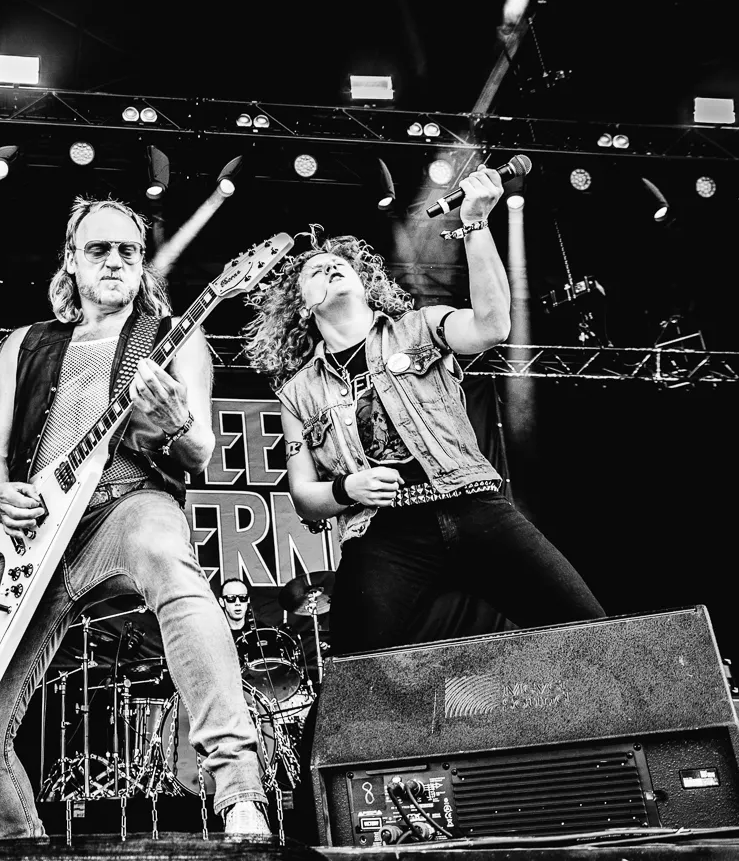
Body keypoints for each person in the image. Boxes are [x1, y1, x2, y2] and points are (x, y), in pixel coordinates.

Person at [0, 197, 271, 837]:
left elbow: (199, 451)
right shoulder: (25, 344)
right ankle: (27, 850)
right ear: (71, 260)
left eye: (129, 250)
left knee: (169, 562)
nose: (115, 261)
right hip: (39, 535)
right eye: (99, 249)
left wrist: (175, 423)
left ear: (143, 263)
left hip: (128, 502)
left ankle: (239, 793)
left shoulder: (174, 336)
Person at [243, 168, 605, 654]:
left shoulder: (421, 327)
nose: (329, 268)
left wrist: (475, 224)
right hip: (384, 531)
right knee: (357, 674)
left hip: (471, 504)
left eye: (338, 264)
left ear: (365, 283)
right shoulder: (298, 392)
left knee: (590, 633)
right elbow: (304, 496)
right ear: (302, 306)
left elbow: (493, 326)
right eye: (315, 271)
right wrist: (347, 488)